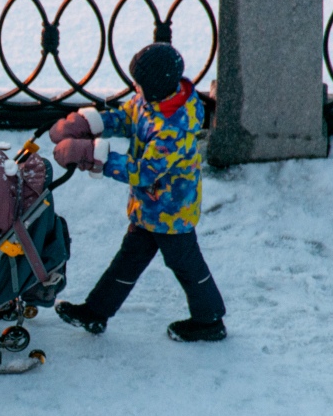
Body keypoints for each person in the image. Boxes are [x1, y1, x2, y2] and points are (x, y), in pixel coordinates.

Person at [48, 42, 226, 342]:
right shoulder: (153, 101)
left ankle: (210, 320)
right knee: (130, 258)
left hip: (172, 212)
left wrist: (93, 155)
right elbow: (130, 118)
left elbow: (144, 172)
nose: (135, 88)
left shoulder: (173, 128)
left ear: (155, 87)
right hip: (150, 209)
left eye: (139, 83)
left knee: (185, 264)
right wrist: (94, 124)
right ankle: (96, 312)